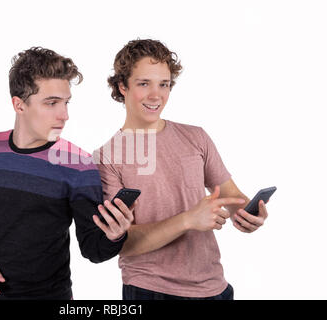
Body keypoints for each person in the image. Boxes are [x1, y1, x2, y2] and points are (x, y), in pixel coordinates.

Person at [94, 39, 269, 300]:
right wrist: (188, 219)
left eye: (164, 84)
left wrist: (247, 213)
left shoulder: (196, 137)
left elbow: (231, 197)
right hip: (151, 290)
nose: (156, 95)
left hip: (215, 287)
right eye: (144, 84)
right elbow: (121, 243)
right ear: (122, 86)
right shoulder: (106, 158)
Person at [0, 47, 134, 300]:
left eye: (66, 102)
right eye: (51, 103)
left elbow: (93, 250)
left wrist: (116, 234)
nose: (64, 115)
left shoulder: (78, 164)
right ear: (19, 104)